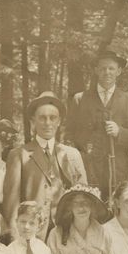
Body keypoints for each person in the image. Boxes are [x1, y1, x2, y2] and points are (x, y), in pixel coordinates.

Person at [69, 50, 128, 193]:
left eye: (111, 68)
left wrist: (120, 132)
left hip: (118, 171)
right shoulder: (80, 99)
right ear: (96, 70)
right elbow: (70, 135)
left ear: (118, 71)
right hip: (88, 170)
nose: (107, 72)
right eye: (103, 68)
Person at [5, 94, 86, 223]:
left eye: (52, 118)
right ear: (33, 122)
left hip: (66, 228)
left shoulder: (72, 154)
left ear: (59, 122)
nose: (48, 123)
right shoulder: (19, 155)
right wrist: (15, 233)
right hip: (32, 229)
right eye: (42, 118)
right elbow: (12, 203)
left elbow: (83, 198)